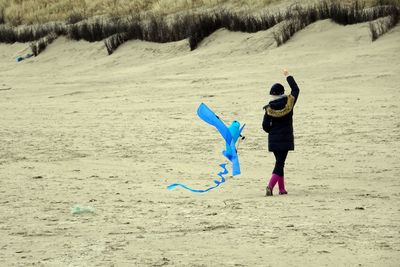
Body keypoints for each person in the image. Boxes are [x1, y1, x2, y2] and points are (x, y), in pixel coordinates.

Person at [262, 69, 300, 196]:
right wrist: (288, 75)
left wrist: (271, 130)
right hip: (286, 138)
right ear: (282, 93)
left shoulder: (269, 108)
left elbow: (265, 126)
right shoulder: (289, 102)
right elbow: (296, 89)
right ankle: (270, 185)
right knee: (280, 163)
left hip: (273, 139)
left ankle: (282, 189)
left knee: (280, 162)